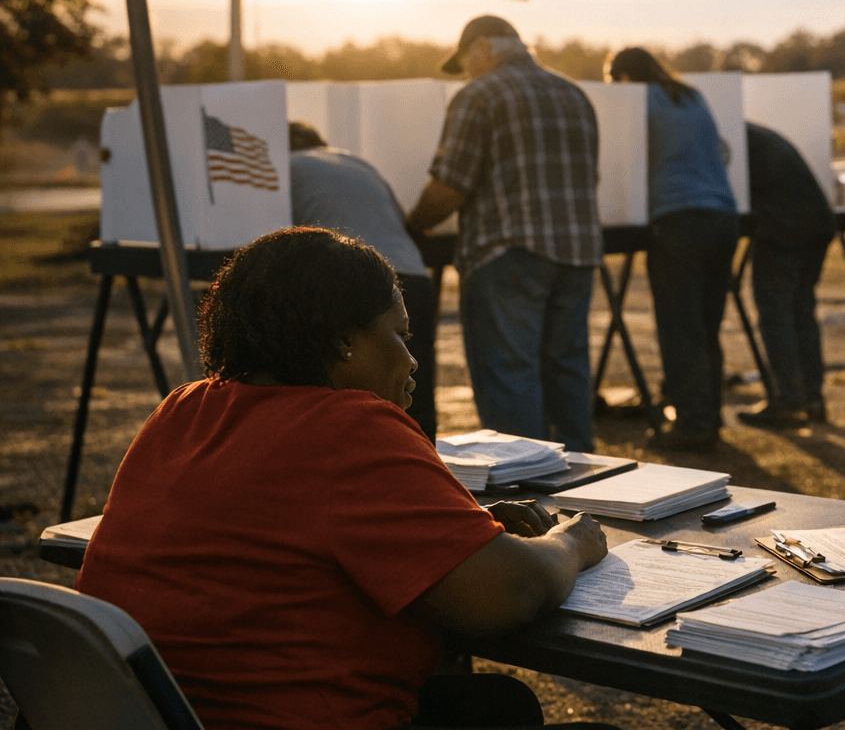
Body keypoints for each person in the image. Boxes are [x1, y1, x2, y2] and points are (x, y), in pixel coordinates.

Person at [76, 227, 614, 730]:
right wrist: (570, 542)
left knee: (499, 704)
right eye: (399, 335)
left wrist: (460, 537)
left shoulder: (183, 410)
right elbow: (506, 592)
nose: (412, 360)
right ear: (342, 342)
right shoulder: (349, 425)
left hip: (163, 714)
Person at [408, 16, 602, 453]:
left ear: (481, 49)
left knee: (510, 374)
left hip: (507, 252)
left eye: (466, 62)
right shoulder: (573, 93)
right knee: (566, 370)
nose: (469, 71)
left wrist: (412, 225)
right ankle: (586, 487)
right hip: (576, 251)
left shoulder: (479, 94)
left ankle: (528, 489)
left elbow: (450, 186)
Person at [605, 46, 738, 451]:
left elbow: (623, 160)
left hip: (677, 218)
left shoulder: (637, 100)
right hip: (723, 214)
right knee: (706, 325)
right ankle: (708, 418)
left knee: (680, 328)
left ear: (624, 78)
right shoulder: (689, 95)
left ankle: (693, 427)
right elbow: (724, 150)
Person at [288, 121, 440, 439]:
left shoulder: (284, 167)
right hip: (410, 274)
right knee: (415, 390)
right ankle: (424, 466)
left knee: (352, 392)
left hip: (352, 283)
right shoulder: (357, 163)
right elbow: (402, 220)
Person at [739, 121, 836, 428]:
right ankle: (812, 400)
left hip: (784, 227)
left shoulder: (733, 138)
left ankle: (788, 401)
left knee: (775, 313)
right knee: (800, 311)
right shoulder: (753, 134)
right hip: (815, 222)